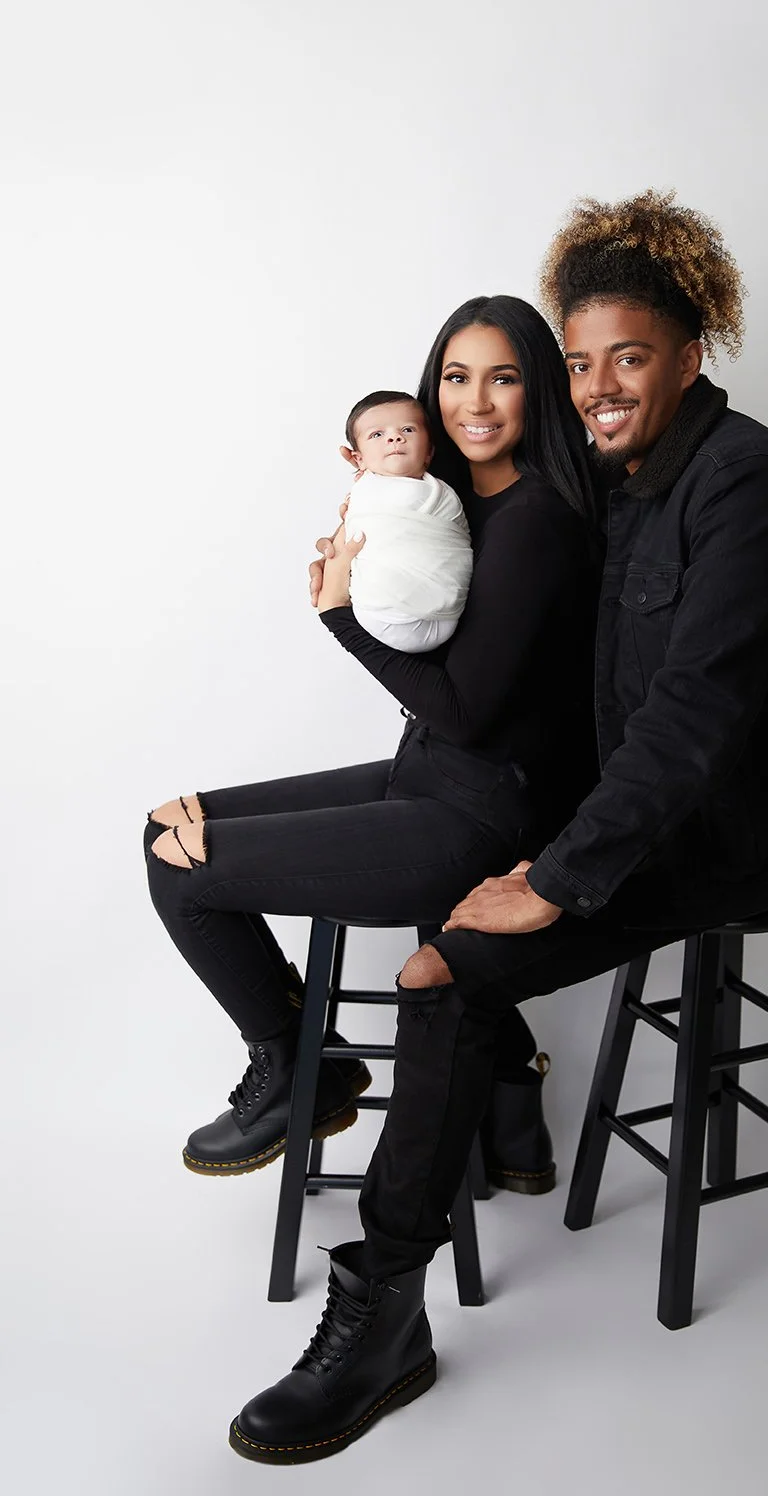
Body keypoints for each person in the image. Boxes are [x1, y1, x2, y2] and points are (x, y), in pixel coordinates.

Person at [228, 190, 768, 1465]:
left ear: (689, 357)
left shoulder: (748, 485)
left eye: (629, 358)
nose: (598, 386)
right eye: (580, 361)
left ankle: (383, 1311)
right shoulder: (608, 481)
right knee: (446, 866)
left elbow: (690, 724)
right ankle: (508, 1113)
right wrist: (388, 509)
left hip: (712, 843)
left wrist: (553, 876)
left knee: (443, 967)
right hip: (605, 818)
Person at [144, 294, 598, 1192]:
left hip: (475, 818)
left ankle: (295, 1066)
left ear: (538, 389)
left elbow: (464, 711)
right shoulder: (454, 504)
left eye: (503, 378)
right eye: (456, 378)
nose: (475, 401)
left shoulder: (534, 521)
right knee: (167, 823)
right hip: (425, 775)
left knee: (181, 868)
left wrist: (342, 613)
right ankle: (506, 1111)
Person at [339, 390, 473, 653]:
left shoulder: (443, 495)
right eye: (377, 434)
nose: (394, 437)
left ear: (429, 452)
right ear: (359, 459)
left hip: (446, 613)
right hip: (383, 614)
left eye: (408, 430)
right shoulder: (362, 495)